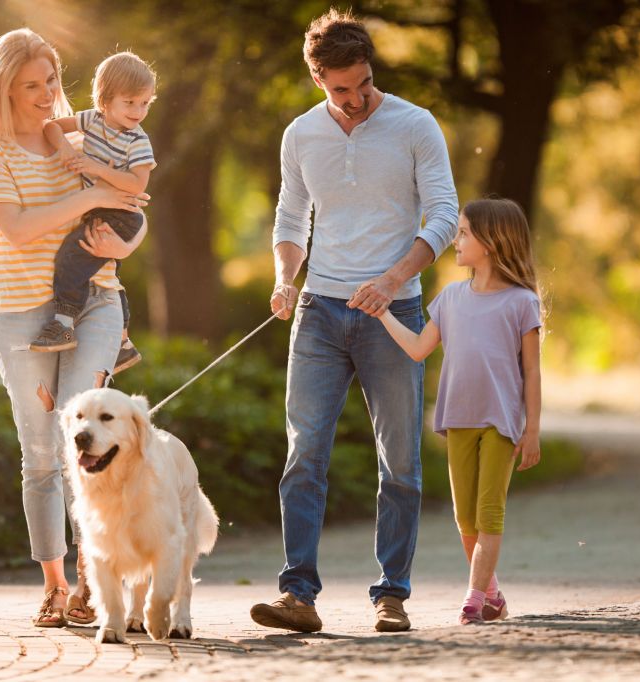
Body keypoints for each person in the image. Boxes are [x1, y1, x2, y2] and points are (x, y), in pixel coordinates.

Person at [249, 9, 458, 634]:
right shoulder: (300, 135)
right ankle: (299, 596)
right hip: (317, 311)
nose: (356, 98)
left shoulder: (415, 126)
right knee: (303, 454)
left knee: (399, 460)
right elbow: (291, 218)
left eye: (363, 83)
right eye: (342, 89)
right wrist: (286, 278)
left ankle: (391, 593)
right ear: (319, 79)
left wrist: (395, 280)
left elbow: (444, 214)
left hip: (393, 314)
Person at [0, 28, 148, 627]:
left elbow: (131, 209)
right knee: (42, 452)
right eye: (32, 85)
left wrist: (124, 234)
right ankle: (55, 584)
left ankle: (96, 580)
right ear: (5, 87)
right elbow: (18, 228)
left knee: (84, 436)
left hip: (95, 299)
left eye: (52, 82)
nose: (47, 95)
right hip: (21, 311)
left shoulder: (82, 138)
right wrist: (88, 189)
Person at [377, 198, 543, 625]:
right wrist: (382, 314)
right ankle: (493, 595)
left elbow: (532, 372)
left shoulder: (521, 302)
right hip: (459, 419)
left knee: (489, 511)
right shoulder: (450, 298)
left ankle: (473, 597)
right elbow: (417, 349)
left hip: (502, 423)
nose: (456, 238)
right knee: (464, 517)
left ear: (491, 241)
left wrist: (533, 430)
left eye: (465, 232)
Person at [31, 51, 157, 376]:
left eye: (144, 103)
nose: (138, 111)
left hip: (121, 213)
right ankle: (122, 343)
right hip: (100, 206)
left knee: (72, 257)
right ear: (105, 100)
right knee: (103, 271)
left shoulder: (138, 141)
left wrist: (95, 168)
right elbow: (52, 127)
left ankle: (62, 323)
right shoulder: (93, 120)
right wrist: (66, 151)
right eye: (129, 102)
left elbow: (137, 182)